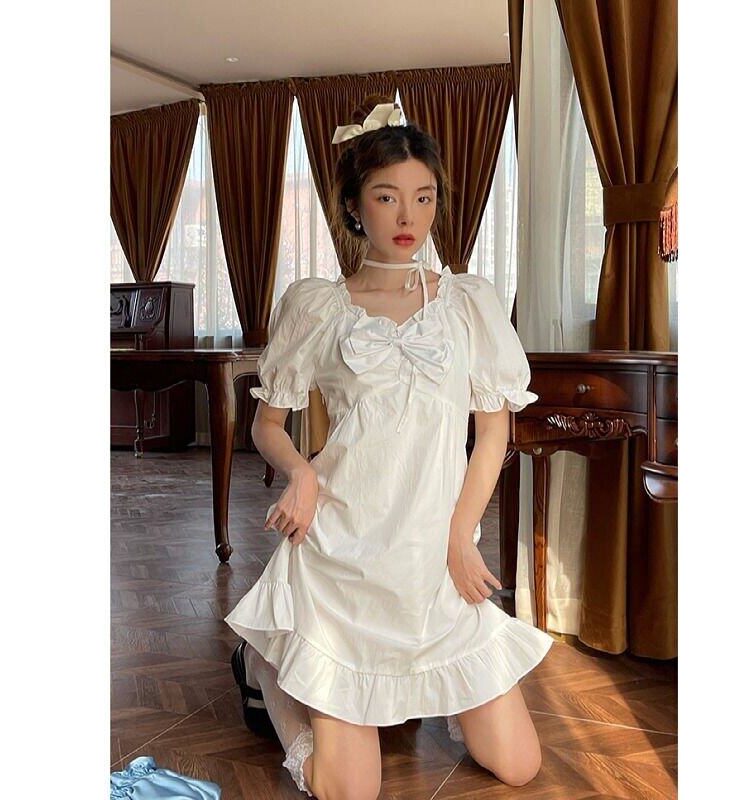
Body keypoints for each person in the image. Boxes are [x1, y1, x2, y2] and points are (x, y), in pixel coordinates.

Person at [225, 96, 553, 799]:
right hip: (339, 555)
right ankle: (262, 663)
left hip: (434, 555)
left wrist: (460, 537)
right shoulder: (317, 306)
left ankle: (411, 687)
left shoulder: (468, 304)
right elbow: (267, 424)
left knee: (520, 766)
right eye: (386, 196)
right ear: (353, 206)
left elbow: (493, 432)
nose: (408, 216)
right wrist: (300, 473)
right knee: (350, 791)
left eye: (423, 197)